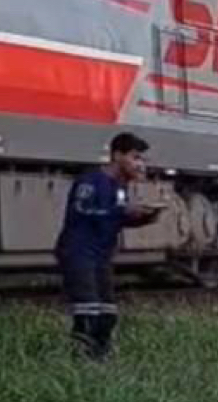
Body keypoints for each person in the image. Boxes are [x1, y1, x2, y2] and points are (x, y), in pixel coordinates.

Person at [53, 132, 160, 361]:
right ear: (117, 155)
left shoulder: (120, 187)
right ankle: (82, 357)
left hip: (101, 255)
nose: (139, 164)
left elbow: (115, 218)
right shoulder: (90, 181)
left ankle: (101, 356)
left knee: (108, 312)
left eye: (141, 159)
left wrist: (144, 217)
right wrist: (121, 211)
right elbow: (81, 211)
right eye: (135, 157)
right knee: (88, 309)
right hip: (79, 252)